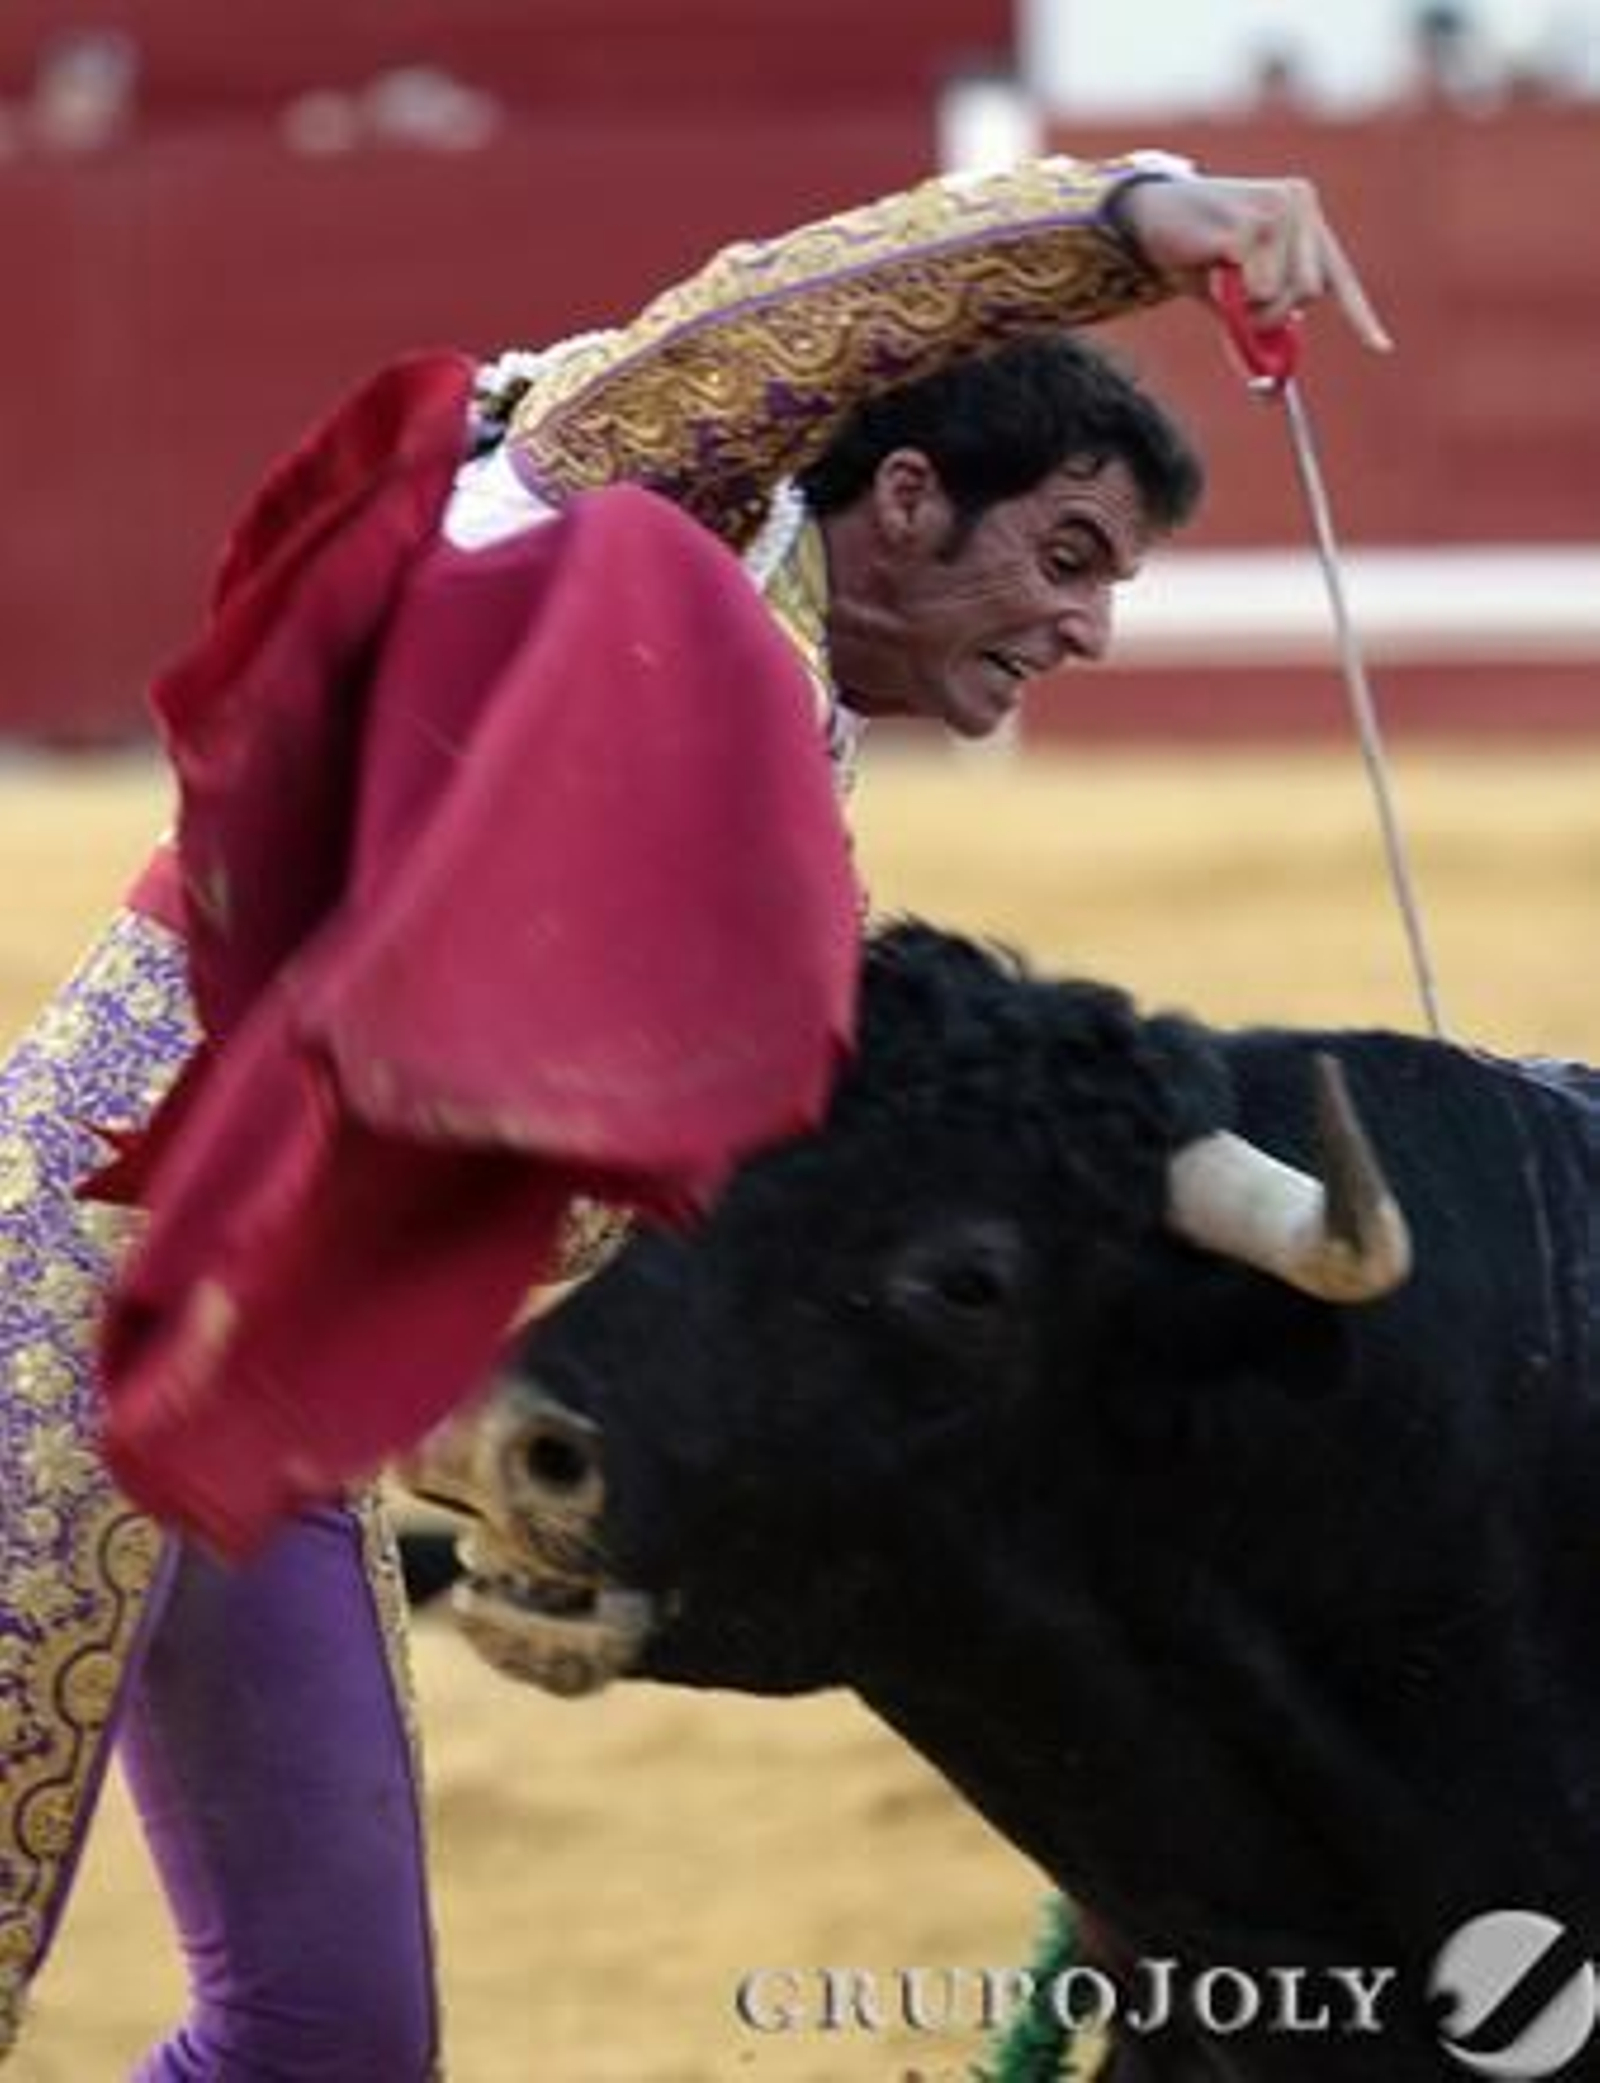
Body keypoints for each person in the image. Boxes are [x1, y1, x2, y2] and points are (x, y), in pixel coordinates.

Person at [0, 148, 1387, 2074]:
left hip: (274, 1404)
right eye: (1065, 557)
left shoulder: (783, 768)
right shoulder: (638, 514)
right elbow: (756, 326)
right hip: (57, 1307)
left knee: (330, 2036)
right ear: (903, 498)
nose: (1087, 632)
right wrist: (1125, 221)